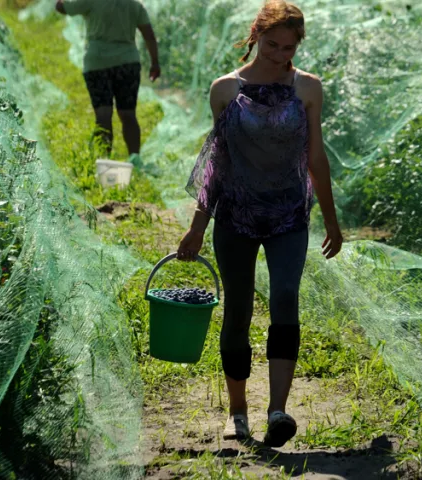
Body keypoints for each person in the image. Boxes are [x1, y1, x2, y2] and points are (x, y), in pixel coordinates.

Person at [177, 0, 342, 448]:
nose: (280, 54)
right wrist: (198, 225)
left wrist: (331, 219)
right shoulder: (225, 91)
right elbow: (218, 162)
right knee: (238, 309)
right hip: (236, 213)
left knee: (286, 297)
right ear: (256, 36)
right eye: (272, 44)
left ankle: (278, 410)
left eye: (289, 47)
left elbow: (316, 158)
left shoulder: (307, 88)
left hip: (289, 213)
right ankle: (238, 414)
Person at [55, 0, 160, 158]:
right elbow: (149, 35)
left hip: (97, 63)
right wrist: (155, 63)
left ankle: (103, 161)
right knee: (128, 113)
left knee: (103, 115)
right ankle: (135, 158)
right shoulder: (135, 5)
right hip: (127, 63)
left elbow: (61, 8)